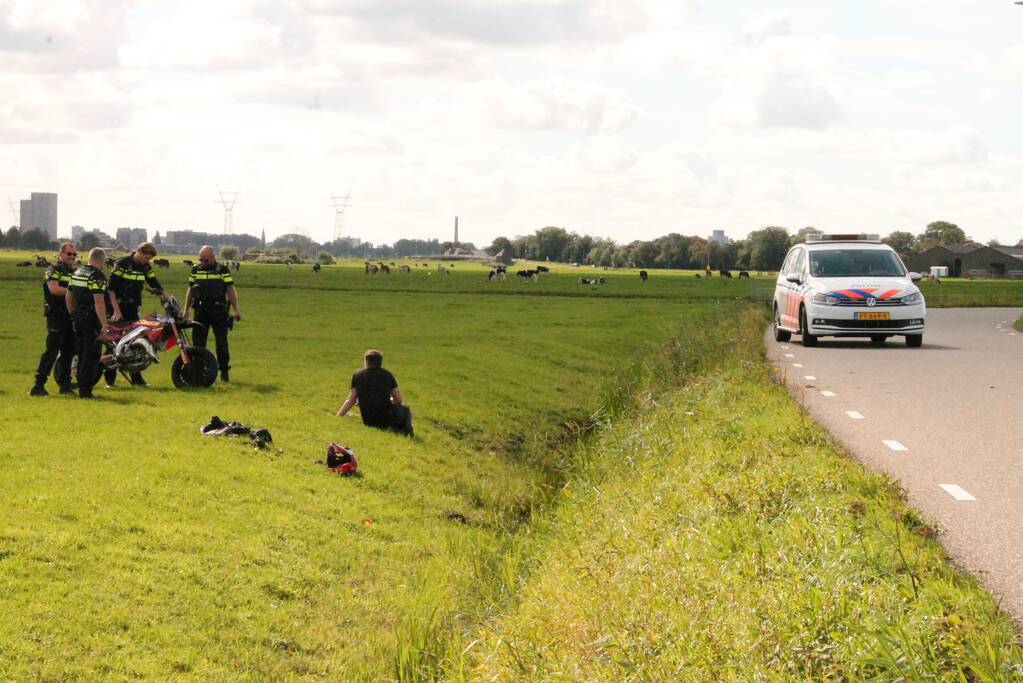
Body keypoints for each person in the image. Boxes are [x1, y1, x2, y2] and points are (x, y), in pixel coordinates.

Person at [105, 241, 167, 386]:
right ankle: (109, 380)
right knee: (114, 343)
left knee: (134, 342)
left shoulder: (146, 267)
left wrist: (167, 298)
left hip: (133, 308)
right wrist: (116, 310)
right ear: (140, 252)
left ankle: (136, 379)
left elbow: (154, 283)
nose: (148, 261)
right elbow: (111, 289)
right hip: (117, 308)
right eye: (147, 258)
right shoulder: (122, 264)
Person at [183, 245, 241, 383]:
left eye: (206, 260)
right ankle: (199, 372)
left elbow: (230, 290)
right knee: (198, 343)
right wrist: (186, 310)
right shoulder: (195, 269)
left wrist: (236, 309)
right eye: (201, 259)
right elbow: (190, 290)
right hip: (201, 310)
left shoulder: (222, 270)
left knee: (221, 343)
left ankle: (224, 373)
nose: (203, 262)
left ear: (213, 257)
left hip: (218, 310)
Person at [30, 243, 80, 396]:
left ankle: (65, 385)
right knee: (51, 351)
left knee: (68, 352)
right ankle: (38, 385)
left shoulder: (75, 272)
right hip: (56, 316)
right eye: (69, 254)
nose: (72, 257)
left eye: (74, 254)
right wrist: (76, 292)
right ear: (60, 254)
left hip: (70, 316)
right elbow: (54, 289)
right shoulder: (53, 269)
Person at [336, 349, 414, 437]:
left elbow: (351, 400)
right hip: (386, 419)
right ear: (380, 362)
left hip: (368, 421)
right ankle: (406, 432)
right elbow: (398, 399)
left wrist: (338, 416)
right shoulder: (387, 375)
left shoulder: (357, 375)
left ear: (366, 361)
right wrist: (391, 400)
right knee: (405, 410)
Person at [66, 248, 110, 399]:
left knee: (81, 352)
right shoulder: (97, 276)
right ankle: (85, 391)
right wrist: (104, 324)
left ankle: (81, 386)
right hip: (91, 320)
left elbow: (68, 297)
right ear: (102, 260)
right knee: (91, 355)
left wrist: (72, 314)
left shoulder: (77, 272)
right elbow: (99, 303)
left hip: (78, 317)